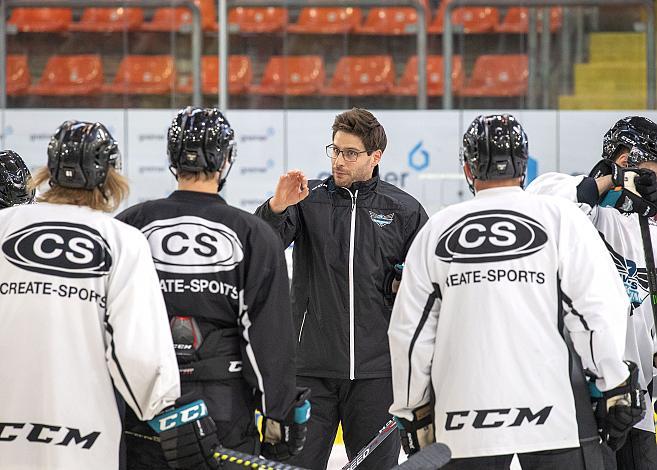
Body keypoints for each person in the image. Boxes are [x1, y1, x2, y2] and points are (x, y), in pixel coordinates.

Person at [388, 114, 644, 470]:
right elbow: (597, 309)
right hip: (555, 417)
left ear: (467, 168)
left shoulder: (437, 230)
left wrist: (411, 409)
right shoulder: (559, 218)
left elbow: (409, 336)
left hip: (463, 424)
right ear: (524, 166)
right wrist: (613, 381)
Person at [116, 107, 309, 470]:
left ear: (173, 158)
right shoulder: (252, 233)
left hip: (144, 409)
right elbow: (270, 338)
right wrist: (279, 414)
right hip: (222, 411)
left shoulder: (129, 226)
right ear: (225, 159)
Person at [0, 121, 180, 470]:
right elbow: (141, 356)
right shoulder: (122, 241)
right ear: (110, 175)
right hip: (83, 436)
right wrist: (169, 412)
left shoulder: (3, 227)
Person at [255, 107, 428, 470]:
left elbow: (426, 291)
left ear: (375, 157)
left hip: (377, 376)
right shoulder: (306, 201)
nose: (339, 161)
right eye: (335, 150)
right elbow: (260, 250)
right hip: (309, 372)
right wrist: (276, 206)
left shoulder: (404, 211)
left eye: (350, 153)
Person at [527, 116, 657, 470]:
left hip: (638, 399)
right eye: (649, 169)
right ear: (625, 160)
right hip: (581, 398)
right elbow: (537, 208)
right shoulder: (576, 207)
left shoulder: (649, 225)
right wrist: (604, 183)